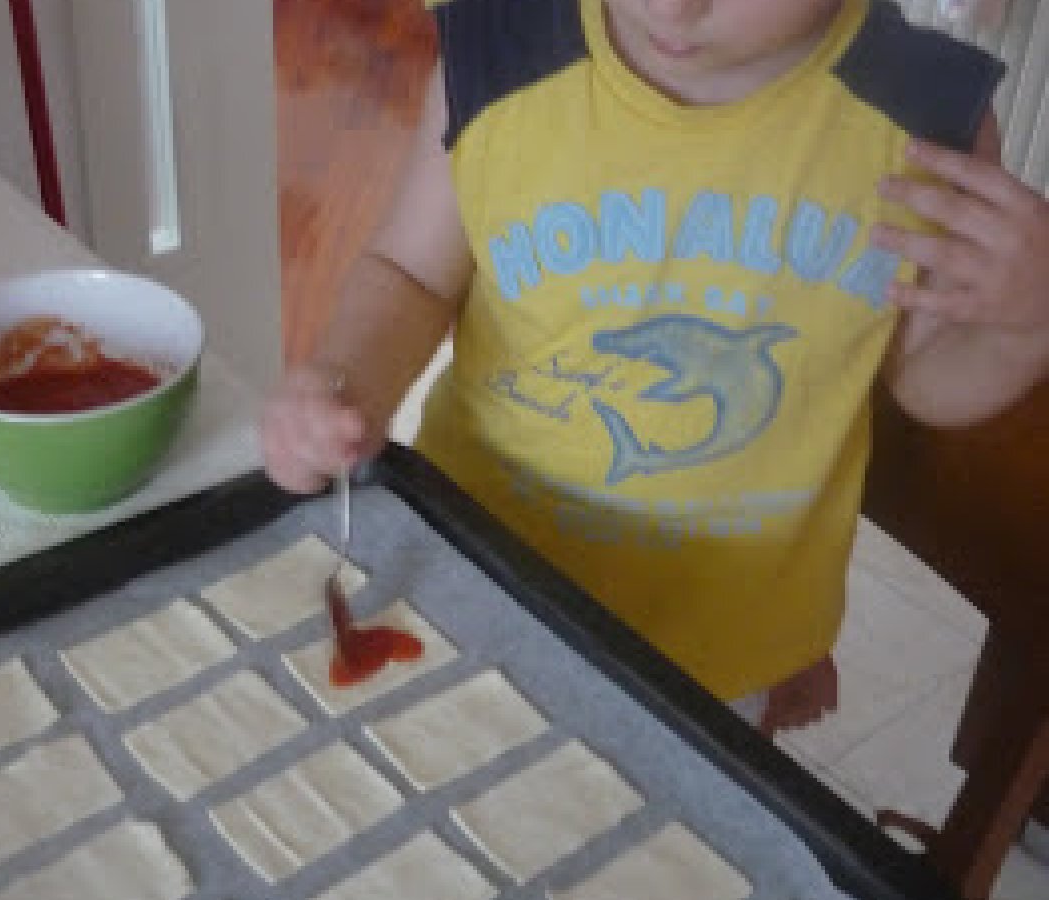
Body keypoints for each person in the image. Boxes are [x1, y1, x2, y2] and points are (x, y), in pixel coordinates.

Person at [260, 0, 1049, 736]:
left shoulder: (927, 122)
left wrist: (1024, 326)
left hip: (716, 649)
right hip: (478, 577)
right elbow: (413, 272)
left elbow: (926, 375)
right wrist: (345, 380)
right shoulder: (500, 51)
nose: (673, 5)